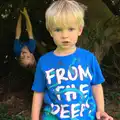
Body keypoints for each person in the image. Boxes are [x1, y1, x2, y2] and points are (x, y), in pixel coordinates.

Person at [31, 0, 113, 120]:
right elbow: (38, 92)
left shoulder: (88, 58)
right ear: (50, 32)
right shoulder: (44, 62)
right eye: (58, 30)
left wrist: (101, 110)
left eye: (70, 29)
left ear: (80, 30)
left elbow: (96, 85)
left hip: (86, 117)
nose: (65, 35)